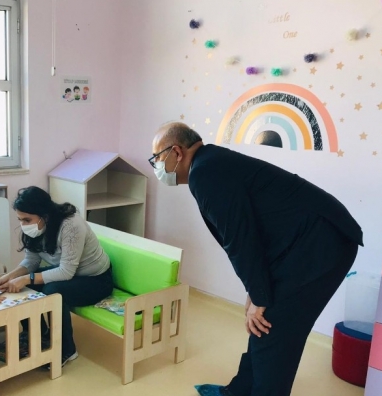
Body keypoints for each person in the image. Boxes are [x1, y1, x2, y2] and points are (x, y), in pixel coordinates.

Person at [150, 122, 363, 396]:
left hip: (321, 244)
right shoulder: (209, 162)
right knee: (264, 324)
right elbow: (250, 233)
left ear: (177, 152)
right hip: (306, 242)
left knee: (274, 329)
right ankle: (240, 390)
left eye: (157, 157)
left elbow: (239, 238)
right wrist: (257, 290)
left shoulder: (205, 172)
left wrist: (260, 296)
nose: (156, 165)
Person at [0, 186, 114, 366]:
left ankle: (67, 349)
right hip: (70, 273)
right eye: (20, 220)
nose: (23, 225)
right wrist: (10, 276)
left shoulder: (71, 225)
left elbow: (66, 271)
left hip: (96, 280)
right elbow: (31, 261)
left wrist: (25, 278)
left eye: (27, 220)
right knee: (25, 286)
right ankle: (38, 336)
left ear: (45, 215)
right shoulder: (35, 229)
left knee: (53, 291)